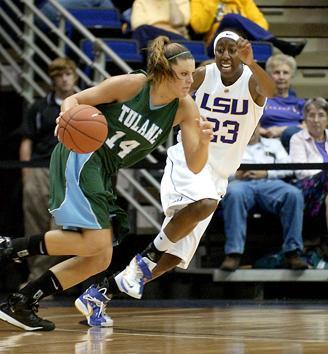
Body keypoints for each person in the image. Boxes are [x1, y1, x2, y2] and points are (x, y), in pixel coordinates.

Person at [0, 36, 213, 331]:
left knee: (99, 257)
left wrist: (203, 142)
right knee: (98, 243)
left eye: (192, 73)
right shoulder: (134, 85)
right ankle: (7, 247)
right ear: (163, 73)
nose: (191, 80)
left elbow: (195, 164)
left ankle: (22, 301)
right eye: (184, 74)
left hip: (105, 169)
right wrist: (70, 118)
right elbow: (73, 100)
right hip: (82, 155)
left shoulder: (184, 108)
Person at [75, 30, 276, 326]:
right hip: (190, 159)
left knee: (172, 258)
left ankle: (100, 293)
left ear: (240, 53)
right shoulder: (203, 74)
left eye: (231, 50)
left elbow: (271, 89)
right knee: (205, 203)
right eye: (220, 49)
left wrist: (253, 63)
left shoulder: (252, 82)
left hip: (219, 175)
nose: (225, 56)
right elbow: (165, 86)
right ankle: (142, 261)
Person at [220, 124, 308, 271]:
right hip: (241, 184)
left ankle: (293, 252)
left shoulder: (273, 144)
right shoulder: (229, 144)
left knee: (293, 194)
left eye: (254, 125)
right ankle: (233, 254)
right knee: (233, 193)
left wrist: (266, 172)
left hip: (269, 183)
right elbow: (216, 169)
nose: (251, 128)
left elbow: (288, 167)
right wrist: (234, 175)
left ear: (259, 127)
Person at [20, 57, 77, 283]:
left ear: (75, 76)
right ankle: (37, 279)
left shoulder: (84, 105)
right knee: (34, 225)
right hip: (38, 168)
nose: (63, 79)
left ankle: (38, 280)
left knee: (60, 226)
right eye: (58, 76)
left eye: (67, 74)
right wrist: (26, 174)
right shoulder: (39, 107)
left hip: (68, 170)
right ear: (52, 80)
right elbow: (27, 140)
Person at [290, 97, 328, 270]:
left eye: (321, 115)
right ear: (305, 118)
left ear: (327, 118)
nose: (316, 120)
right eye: (311, 115)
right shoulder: (297, 139)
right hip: (309, 191)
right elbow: (301, 172)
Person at [190, 0, 306, 57]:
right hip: (215, 48)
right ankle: (279, 44)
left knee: (232, 19)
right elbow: (199, 27)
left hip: (244, 45)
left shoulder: (243, 1)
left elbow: (262, 26)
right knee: (229, 20)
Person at [259, 54, 305, 151]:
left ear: (291, 76)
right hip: (267, 142)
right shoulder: (261, 100)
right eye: (277, 73)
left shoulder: (300, 103)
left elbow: (308, 126)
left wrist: (280, 130)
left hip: (296, 143)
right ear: (269, 76)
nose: (281, 77)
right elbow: (250, 126)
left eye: (285, 73)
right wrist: (266, 132)